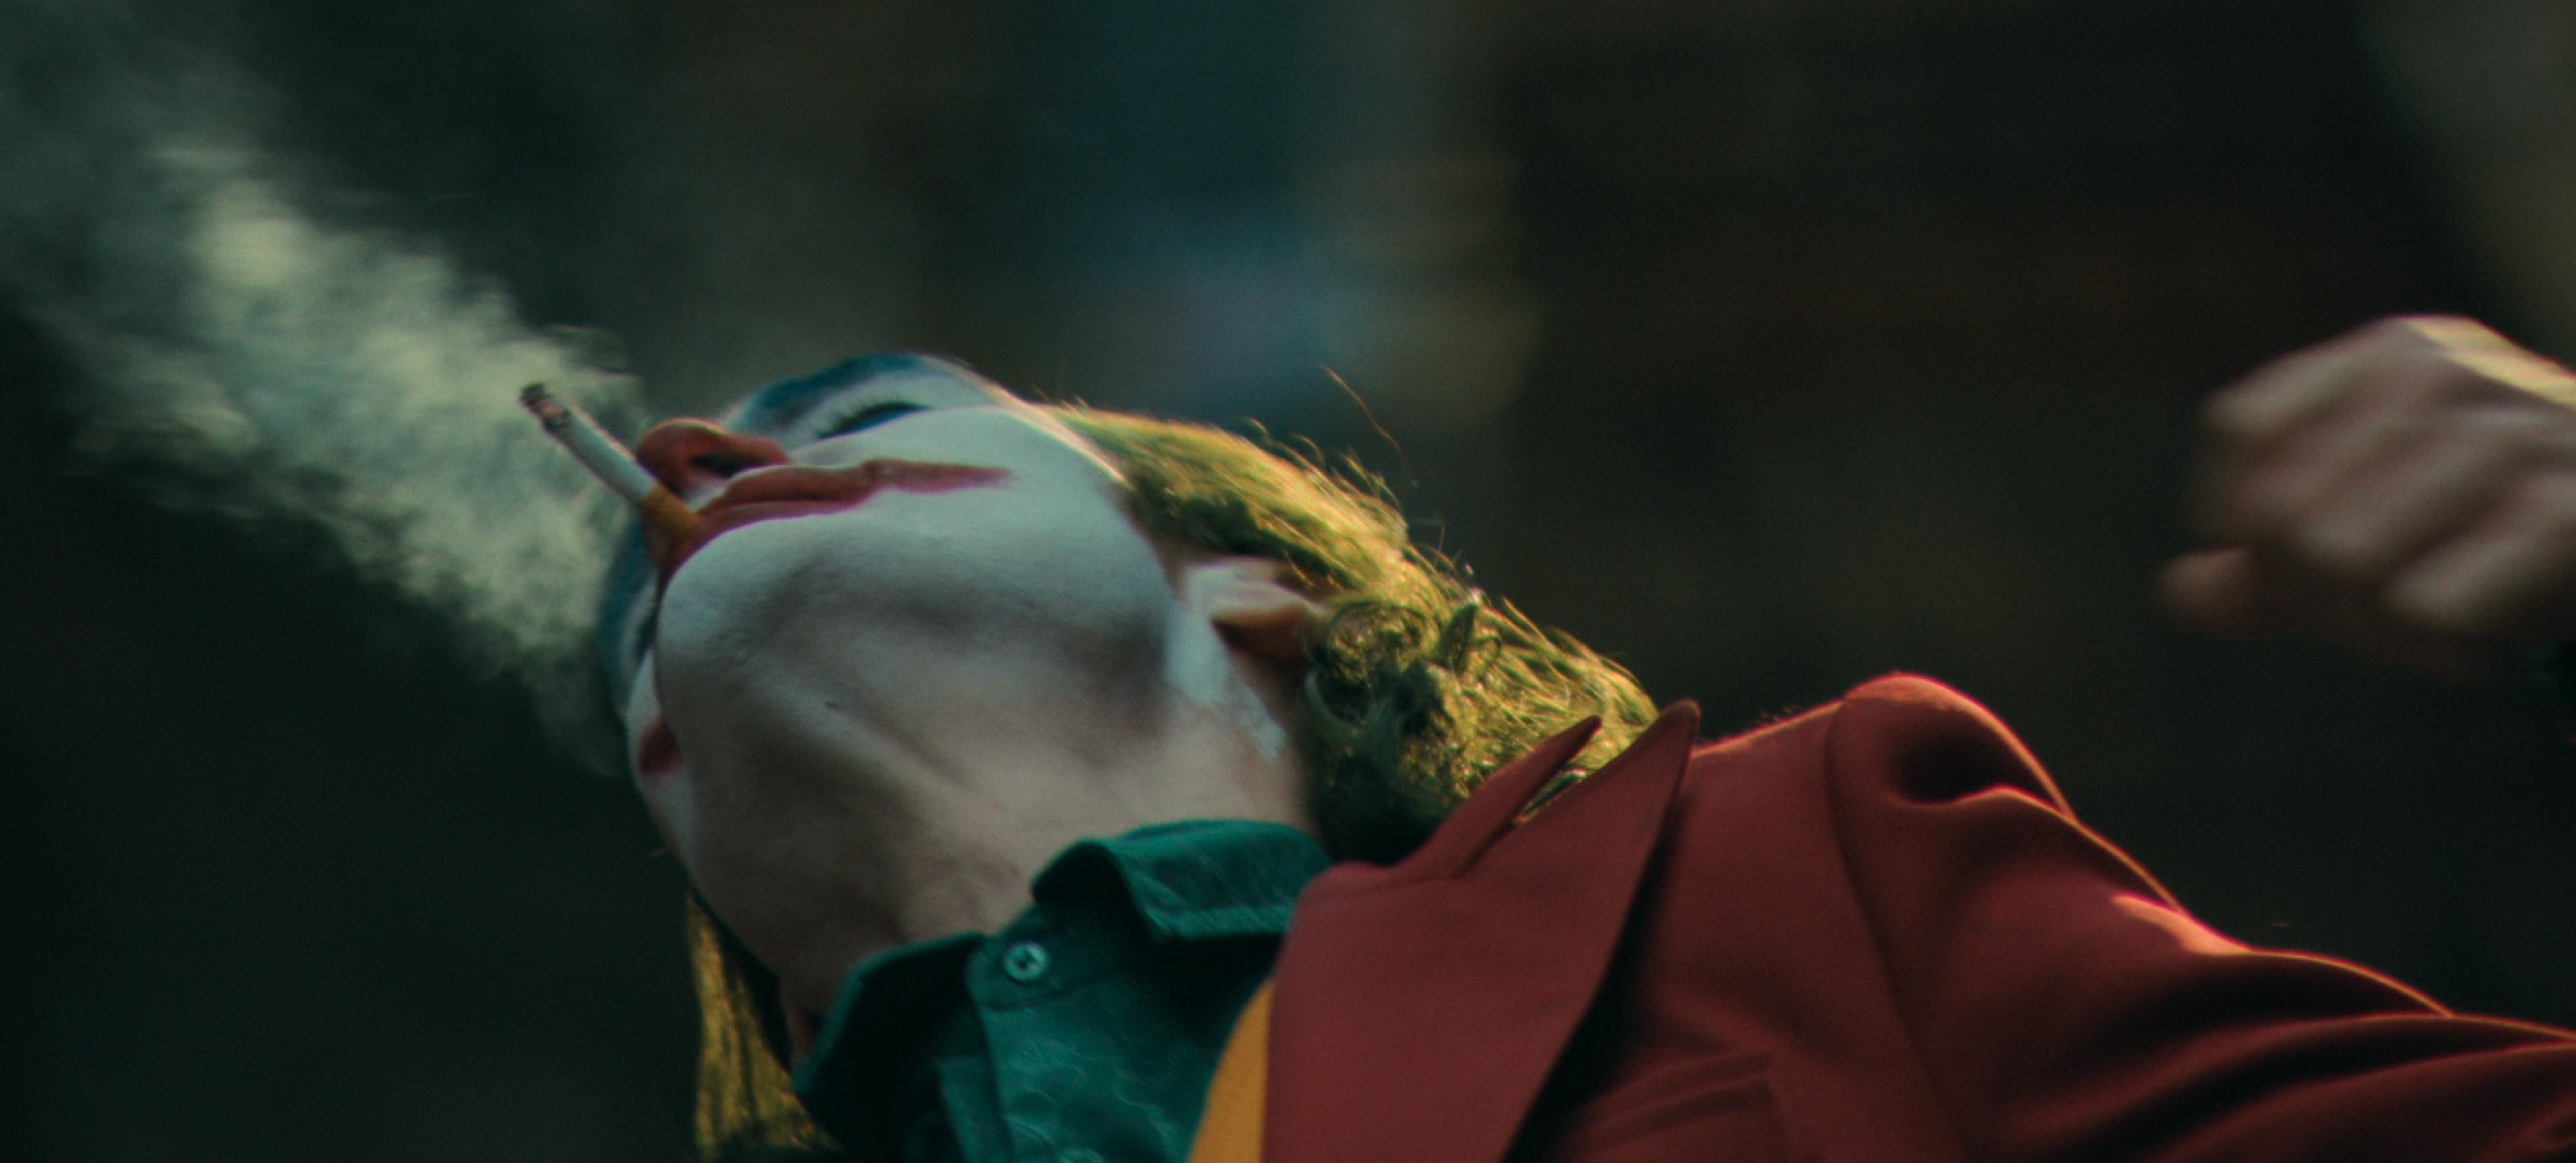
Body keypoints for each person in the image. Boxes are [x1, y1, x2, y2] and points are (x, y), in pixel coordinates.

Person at [602, 318, 2576, 1162]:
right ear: (682, 798)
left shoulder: (1803, 883)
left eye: (868, 420)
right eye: (640, 644)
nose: (694, 461)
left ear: (1260, 592)